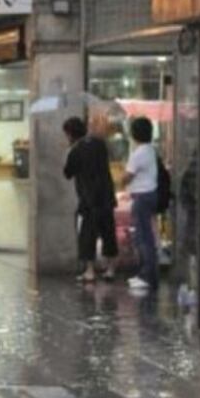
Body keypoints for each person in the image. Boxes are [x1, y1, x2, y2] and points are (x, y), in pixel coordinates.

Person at [62, 116, 118, 282]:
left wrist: (69, 152)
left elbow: (67, 173)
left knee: (88, 235)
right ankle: (110, 270)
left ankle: (90, 271)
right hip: (106, 196)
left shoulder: (75, 150)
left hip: (89, 199)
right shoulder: (99, 144)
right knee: (108, 233)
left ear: (70, 134)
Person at [123, 116, 159, 293]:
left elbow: (126, 177)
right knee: (146, 236)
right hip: (150, 195)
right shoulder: (150, 150)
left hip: (142, 198)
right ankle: (147, 273)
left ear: (134, 133)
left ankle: (147, 275)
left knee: (143, 237)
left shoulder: (138, 154)